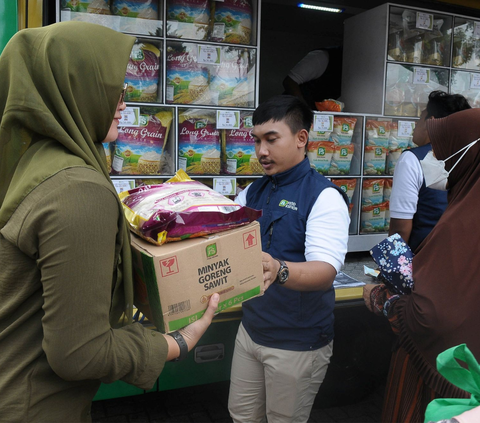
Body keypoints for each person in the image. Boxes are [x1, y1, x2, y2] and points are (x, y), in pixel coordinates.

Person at [0, 21, 220, 422]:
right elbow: (79, 354)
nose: (123, 102)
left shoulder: (33, 164)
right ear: (73, 90)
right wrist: (176, 344)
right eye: (112, 88)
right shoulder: (78, 190)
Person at [228, 95, 350, 422]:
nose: (261, 151)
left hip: (297, 342)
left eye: (271, 139)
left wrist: (278, 269)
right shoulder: (251, 193)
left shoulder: (323, 196)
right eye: (256, 141)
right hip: (252, 331)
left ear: (301, 138)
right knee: (242, 416)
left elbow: (324, 271)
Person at [363, 107, 480, 423]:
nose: (431, 161)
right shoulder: (464, 207)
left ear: (468, 156)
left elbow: (432, 316)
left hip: (439, 382)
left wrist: (382, 300)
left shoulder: (462, 224)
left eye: (443, 153)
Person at [388, 90, 471, 251]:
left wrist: (390, 268)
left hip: (423, 261)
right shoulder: (471, 159)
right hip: (463, 258)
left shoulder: (412, 159)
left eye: (419, 118)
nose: (415, 125)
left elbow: (400, 228)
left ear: (431, 123)